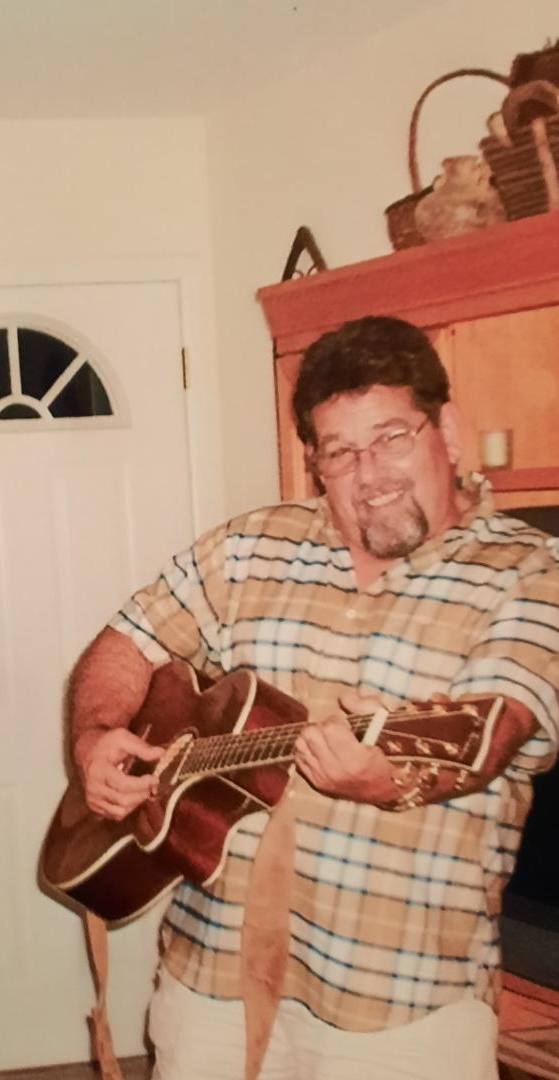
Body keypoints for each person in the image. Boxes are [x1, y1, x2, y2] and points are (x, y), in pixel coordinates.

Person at [68, 315, 559, 1080]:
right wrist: (96, 733)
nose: (371, 473)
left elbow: (492, 730)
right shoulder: (247, 546)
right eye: (341, 452)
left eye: (392, 437)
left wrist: (388, 778)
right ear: (315, 464)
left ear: (448, 431)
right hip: (210, 982)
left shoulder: (530, 573)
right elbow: (125, 642)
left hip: (399, 1007)